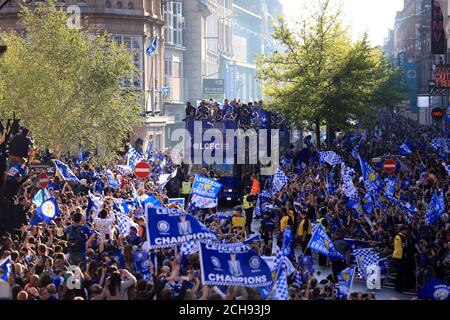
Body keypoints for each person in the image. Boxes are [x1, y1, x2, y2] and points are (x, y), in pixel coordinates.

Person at [392, 225, 409, 292]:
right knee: (400, 273)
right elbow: (404, 246)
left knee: (399, 273)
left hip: (398, 256)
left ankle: (398, 287)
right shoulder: (401, 237)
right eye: (405, 230)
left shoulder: (399, 236)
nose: (406, 231)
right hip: (400, 257)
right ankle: (398, 287)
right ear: (402, 230)